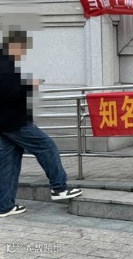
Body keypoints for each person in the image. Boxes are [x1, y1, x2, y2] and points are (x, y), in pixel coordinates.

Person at [0, 30, 82, 217]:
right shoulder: (5, 63)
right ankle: (59, 188)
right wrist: (30, 85)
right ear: (14, 45)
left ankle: (4, 206)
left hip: (4, 123)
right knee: (46, 146)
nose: (22, 53)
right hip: (14, 121)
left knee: (9, 161)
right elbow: (10, 91)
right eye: (22, 49)